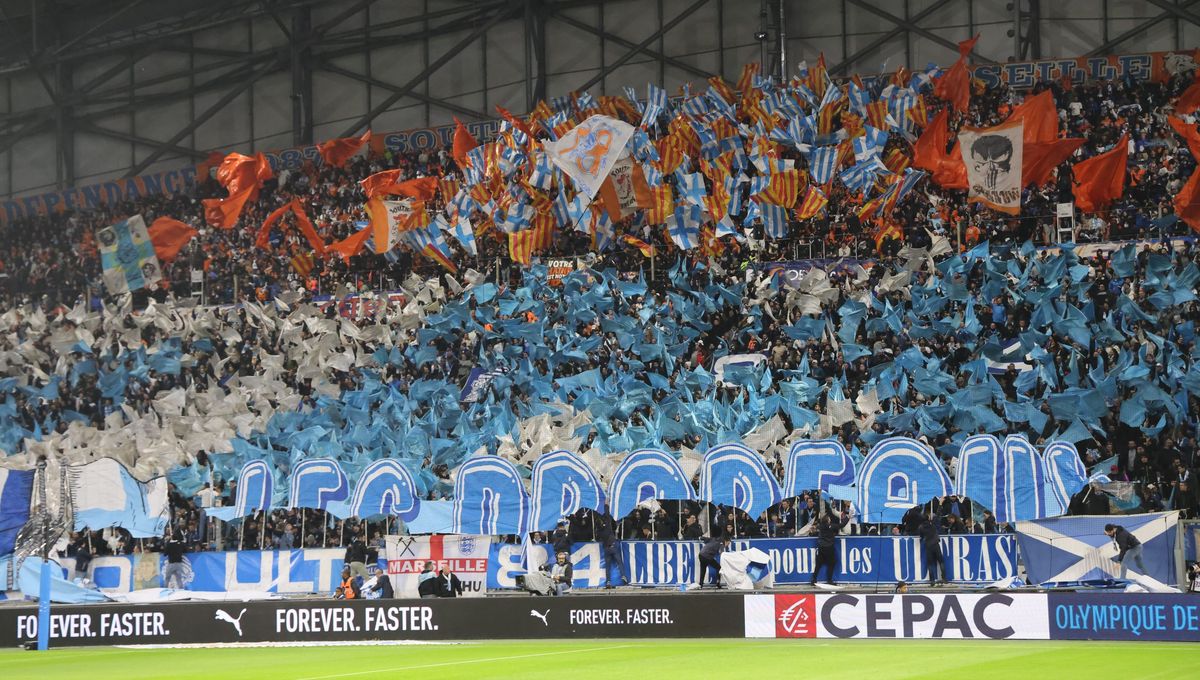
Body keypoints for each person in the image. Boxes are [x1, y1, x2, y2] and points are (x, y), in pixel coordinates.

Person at [809, 509, 849, 586]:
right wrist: (848, 518)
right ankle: (829, 580)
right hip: (829, 548)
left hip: (821, 547)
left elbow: (815, 528)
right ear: (827, 520)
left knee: (818, 564)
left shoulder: (820, 526)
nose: (830, 519)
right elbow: (842, 525)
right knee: (831, 563)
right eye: (829, 519)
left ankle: (813, 580)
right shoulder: (831, 526)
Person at [919, 513, 947, 585]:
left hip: (928, 545)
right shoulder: (932, 524)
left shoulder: (921, 527)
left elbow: (921, 537)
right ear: (928, 518)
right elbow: (937, 518)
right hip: (935, 544)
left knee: (930, 563)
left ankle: (932, 580)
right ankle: (944, 578)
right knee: (941, 561)